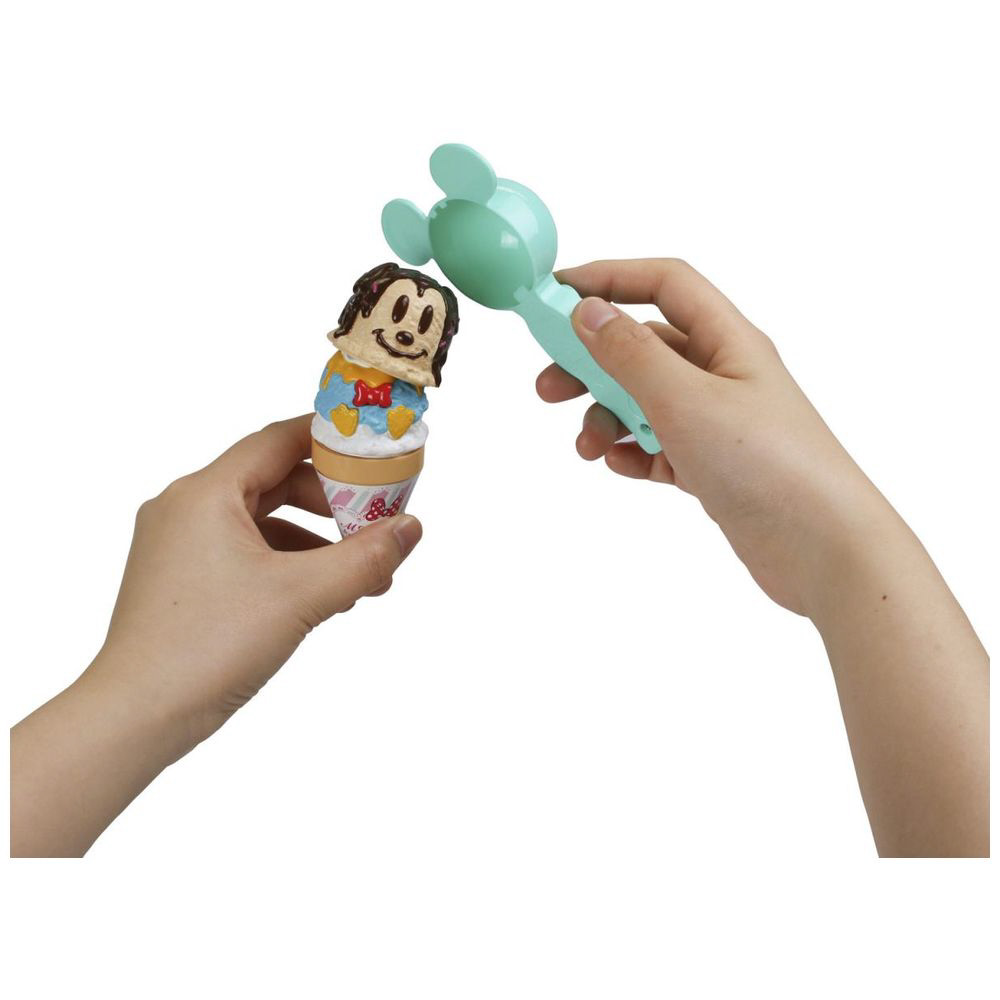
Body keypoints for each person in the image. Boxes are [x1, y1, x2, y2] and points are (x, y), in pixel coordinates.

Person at [10, 259, 988, 858]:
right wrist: (838, 545)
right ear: (351, 328)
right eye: (391, 320)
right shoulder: (349, 389)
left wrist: (130, 698)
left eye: (419, 329)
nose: (403, 332)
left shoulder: (406, 402)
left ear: (432, 355)